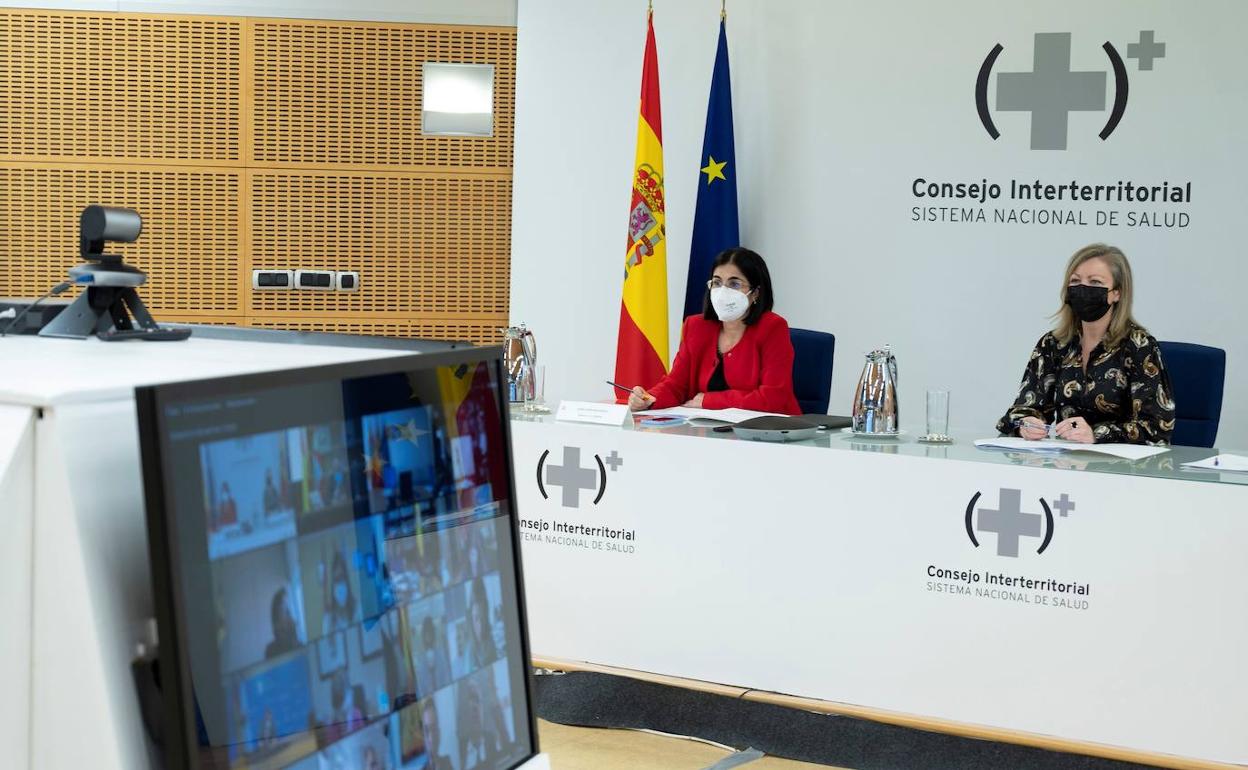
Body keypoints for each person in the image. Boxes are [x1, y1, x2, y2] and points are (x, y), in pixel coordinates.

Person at [997, 243, 1176, 445]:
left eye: (1095, 282)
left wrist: (1096, 434)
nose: (1083, 289)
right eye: (1075, 281)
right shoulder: (1053, 344)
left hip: (1120, 463)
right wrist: (1025, 424)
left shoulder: (1139, 346)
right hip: (1066, 459)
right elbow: (1022, 410)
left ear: (1116, 293)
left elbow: (1157, 428)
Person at [627, 248, 800, 415]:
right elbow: (676, 385)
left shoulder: (773, 328)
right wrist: (649, 398)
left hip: (768, 430)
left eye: (734, 284)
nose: (723, 291)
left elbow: (772, 397)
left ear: (755, 293)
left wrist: (708, 401)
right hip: (707, 429)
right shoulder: (696, 326)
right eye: (717, 283)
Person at [321, 548, 357, 634]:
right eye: (336, 580)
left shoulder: (356, 609)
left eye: (342, 578)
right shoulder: (329, 618)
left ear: (347, 580)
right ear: (332, 585)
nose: (340, 585)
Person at [264, 587, 300, 659]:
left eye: (288, 612)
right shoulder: (271, 651)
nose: (290, 618)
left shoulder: (299, 645)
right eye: (285, 611)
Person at [421, 697, 456, 770]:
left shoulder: (447, 763)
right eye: (427, 730)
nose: (431, 738)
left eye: (433, 729)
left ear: (439, 732)